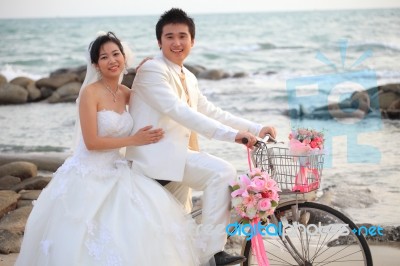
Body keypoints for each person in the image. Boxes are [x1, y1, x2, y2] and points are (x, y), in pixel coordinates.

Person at [15, 32, 205, 266]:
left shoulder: (126, 93)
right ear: (96, 64)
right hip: (88, 171)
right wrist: (134, 140)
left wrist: (149, 67)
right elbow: (92, 142)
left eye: (116, 54)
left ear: (124, 58)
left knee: (142, 222)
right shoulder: (90, 93)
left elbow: (156, 103)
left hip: (118, 168)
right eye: (104, 57)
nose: (112, 60)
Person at [126, 8, 277, 265]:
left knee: (174, 236)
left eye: (182, 36)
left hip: (177, 156)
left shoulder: (189, 76)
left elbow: (210, 110)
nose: (177, 43)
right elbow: (180, 111)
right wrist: (232, 136)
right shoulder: (152, 70)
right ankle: (213, 254)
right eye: (169, 37)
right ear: (159, 42)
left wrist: (255, 127)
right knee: (221, 172)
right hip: (156, 158)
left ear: (192, 42)